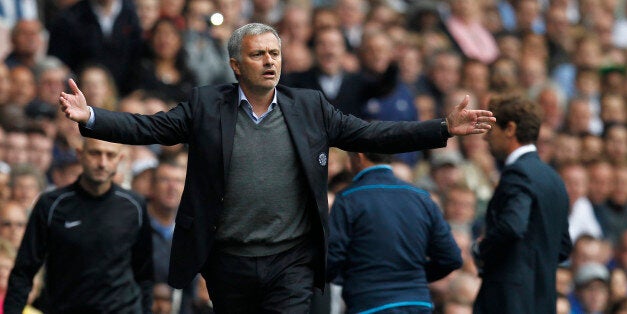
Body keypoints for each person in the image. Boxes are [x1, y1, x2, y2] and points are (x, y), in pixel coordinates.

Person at [58, 23, 494, 313]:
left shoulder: (310, 106)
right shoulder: (207, 105)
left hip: (292, 260)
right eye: (258, 55)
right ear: (235, 65)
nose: (269, 61)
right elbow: (148, 127)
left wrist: (442, 128)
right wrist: (92, 117)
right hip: (229, 260)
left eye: (274, 53)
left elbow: (373, 135)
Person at [4, 138, 154, 313]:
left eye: (110, 155)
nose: (102, 163)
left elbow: (144, 274)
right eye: (95, 153)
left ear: (119, 160)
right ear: (80, 154)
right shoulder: (52, 204)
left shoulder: (134, 205)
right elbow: (24, 271)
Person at [327, 152, 462, 313]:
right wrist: (412, 276)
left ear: (360, 156)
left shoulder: (349, 198)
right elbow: (451, 258)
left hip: (370, 304)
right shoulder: (421, 197)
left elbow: (331, 261)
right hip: (418, 304)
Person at [473, 95, 572, 314]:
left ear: (510, 129)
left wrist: (482, 247)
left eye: (491, 130)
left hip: (508, 301)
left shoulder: (517, 173)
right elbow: (563, 246)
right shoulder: (554, 178)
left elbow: (512, 225)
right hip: (543, 301)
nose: (486, 139)